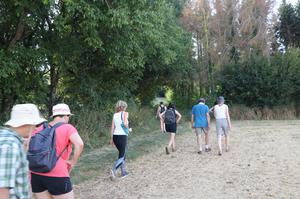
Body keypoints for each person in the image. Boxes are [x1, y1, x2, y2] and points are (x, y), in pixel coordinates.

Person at [30, 103, 84, 199]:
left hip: (36, 174)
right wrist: (73, 162)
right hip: (57, 173)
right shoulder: (68, 127)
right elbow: (79, 144)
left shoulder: (40, 128)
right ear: (66, 116)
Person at [0, 104, 46, 199]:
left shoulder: (5, 137)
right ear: (26, 124)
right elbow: (2, 188)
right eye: (35, 124)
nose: (36, 128)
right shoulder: (11, 146)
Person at [110, 100, 131, 180]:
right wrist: (128, 128)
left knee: (122, 154)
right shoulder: (125, 113)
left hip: (115, 136)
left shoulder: (115, 115)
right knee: (123, 155)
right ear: (124, 107)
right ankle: (113, 170)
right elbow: (125, 124)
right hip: (122, 136)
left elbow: (112, 128)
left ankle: (123, 172)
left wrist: (111, 139)